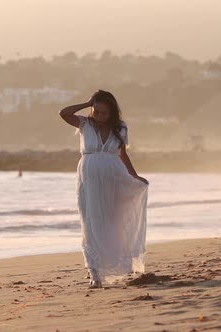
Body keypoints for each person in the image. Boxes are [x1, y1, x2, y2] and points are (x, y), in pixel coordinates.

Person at [59, 90, 149, 289]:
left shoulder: (121, 128)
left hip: (114, 177)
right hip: (88, 178)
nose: (99, 117)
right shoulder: (85, 124)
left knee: (113, 220)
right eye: (96, 111)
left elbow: (122, 154)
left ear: (112, 113)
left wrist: (134, 176)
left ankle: (116, 263)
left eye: (104, 113)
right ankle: (95, 273)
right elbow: (63, 113)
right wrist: (86, 103)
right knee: (91, 221)